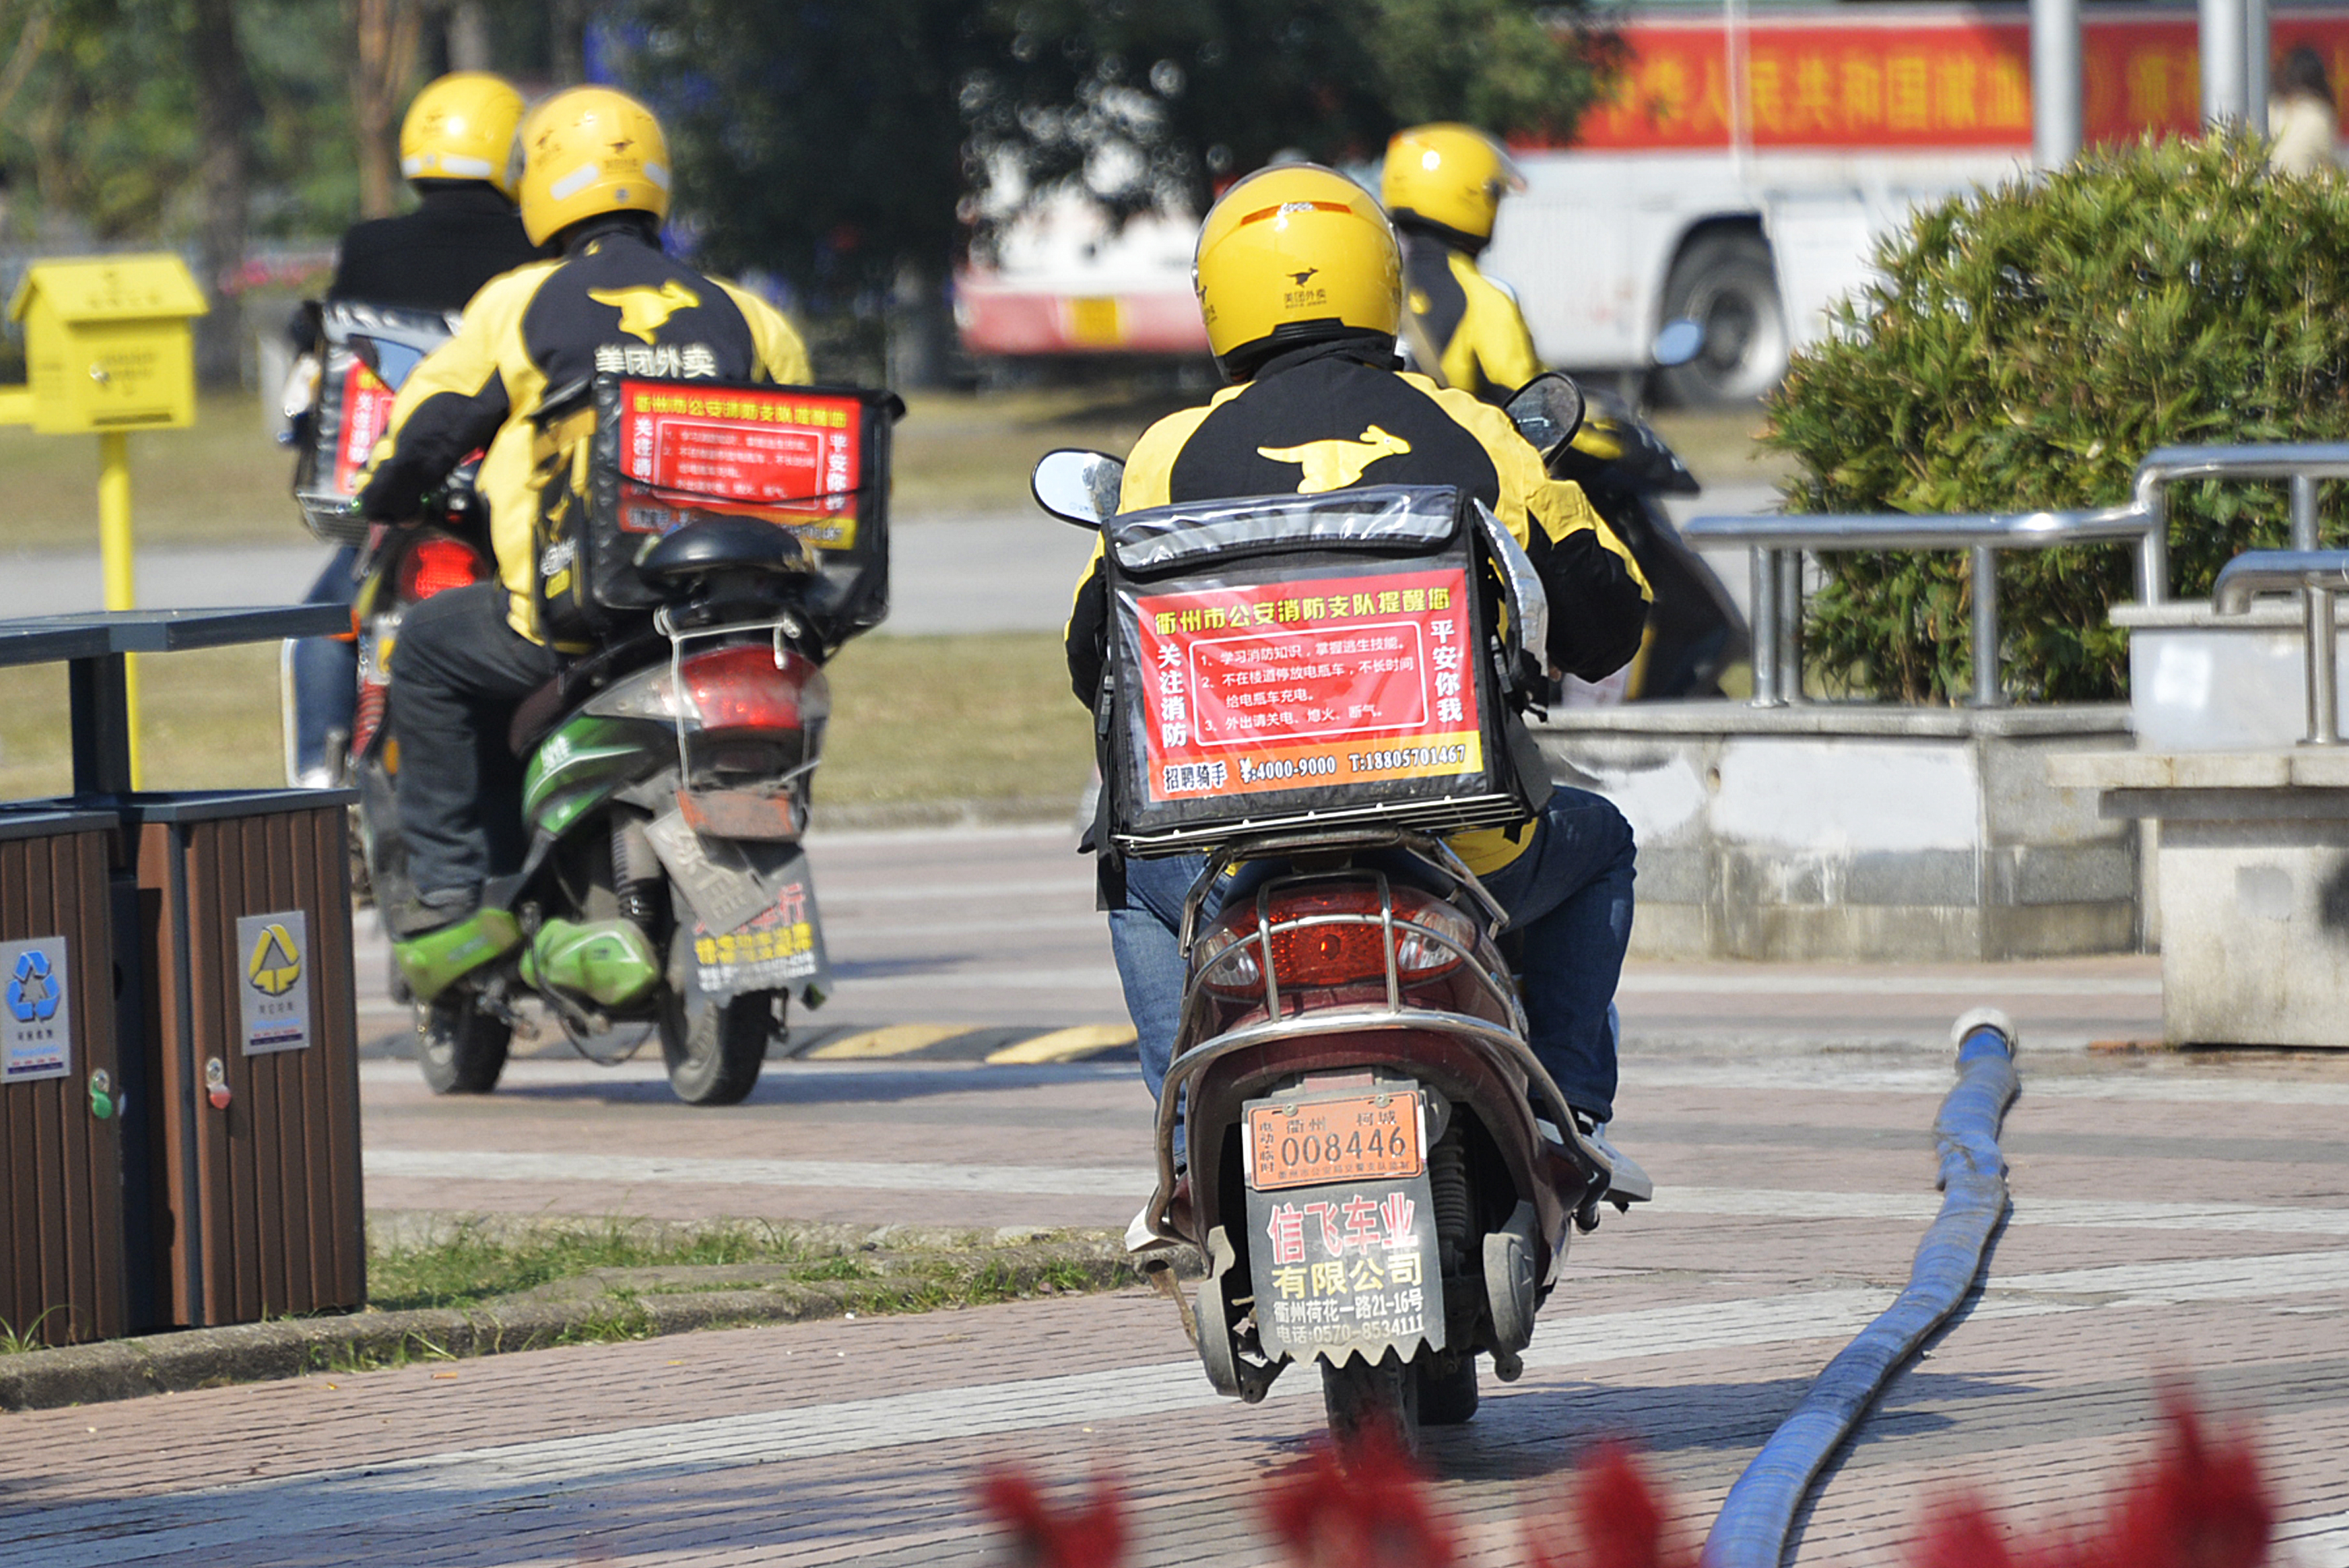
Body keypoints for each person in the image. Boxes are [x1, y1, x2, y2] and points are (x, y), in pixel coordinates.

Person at [1064, 162, 1656, 1224]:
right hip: (1460, 850)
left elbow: (1088, 662)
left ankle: (1185, 1148)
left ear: (1218, 299)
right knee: (1600, 839)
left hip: (1238, 859)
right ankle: (1574, 1113)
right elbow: (1614, 615)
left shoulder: (1165, 457)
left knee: (1126, 863)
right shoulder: (1478, 435)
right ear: (1381, 280)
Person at [354, 85, 812, 979]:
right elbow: (815, 458)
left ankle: (451, 894)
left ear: (543, 186)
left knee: (428, 653)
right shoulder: (749, 314)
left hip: (573, 614)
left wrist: (390, 490)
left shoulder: (521, 303)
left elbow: (428, 430)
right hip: (734, 617)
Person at [289, 71, 540, 788]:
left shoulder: (370, 246)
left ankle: (316, 779)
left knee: (323, 623)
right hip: (499, 498)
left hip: (402, 490)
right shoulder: (538, 253)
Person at [1380, 123, 1540, 403]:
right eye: (1494, 195)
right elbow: (1532, 406)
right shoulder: (1483, 300)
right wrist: (1626, 441)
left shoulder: (1370, 284)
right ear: (1473, 194)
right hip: (1442, 446)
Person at [2270, 45, 2341, 177]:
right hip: (2301, 193)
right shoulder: (2318, 115)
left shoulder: (2271, 110)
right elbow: (2329, 168)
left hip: (2266, 191)